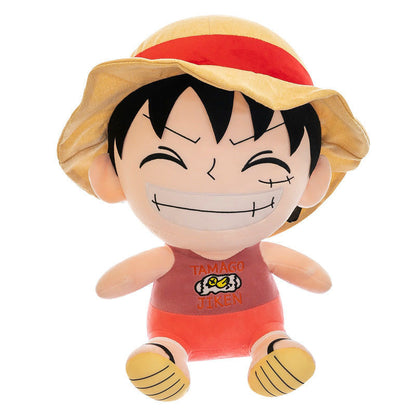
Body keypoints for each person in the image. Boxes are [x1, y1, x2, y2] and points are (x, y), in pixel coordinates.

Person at [57, 16, 369, 401]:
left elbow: (315, 278)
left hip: (262, 325)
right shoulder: (169, 257)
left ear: (311, 182)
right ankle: (168, 351)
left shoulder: (257, 252)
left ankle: (270, 346)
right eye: (170, 159)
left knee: (271, 337)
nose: (215, 178)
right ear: (111, 177)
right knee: (166, 343)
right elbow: (113, 285)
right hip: (175, 329)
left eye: (261, 164)